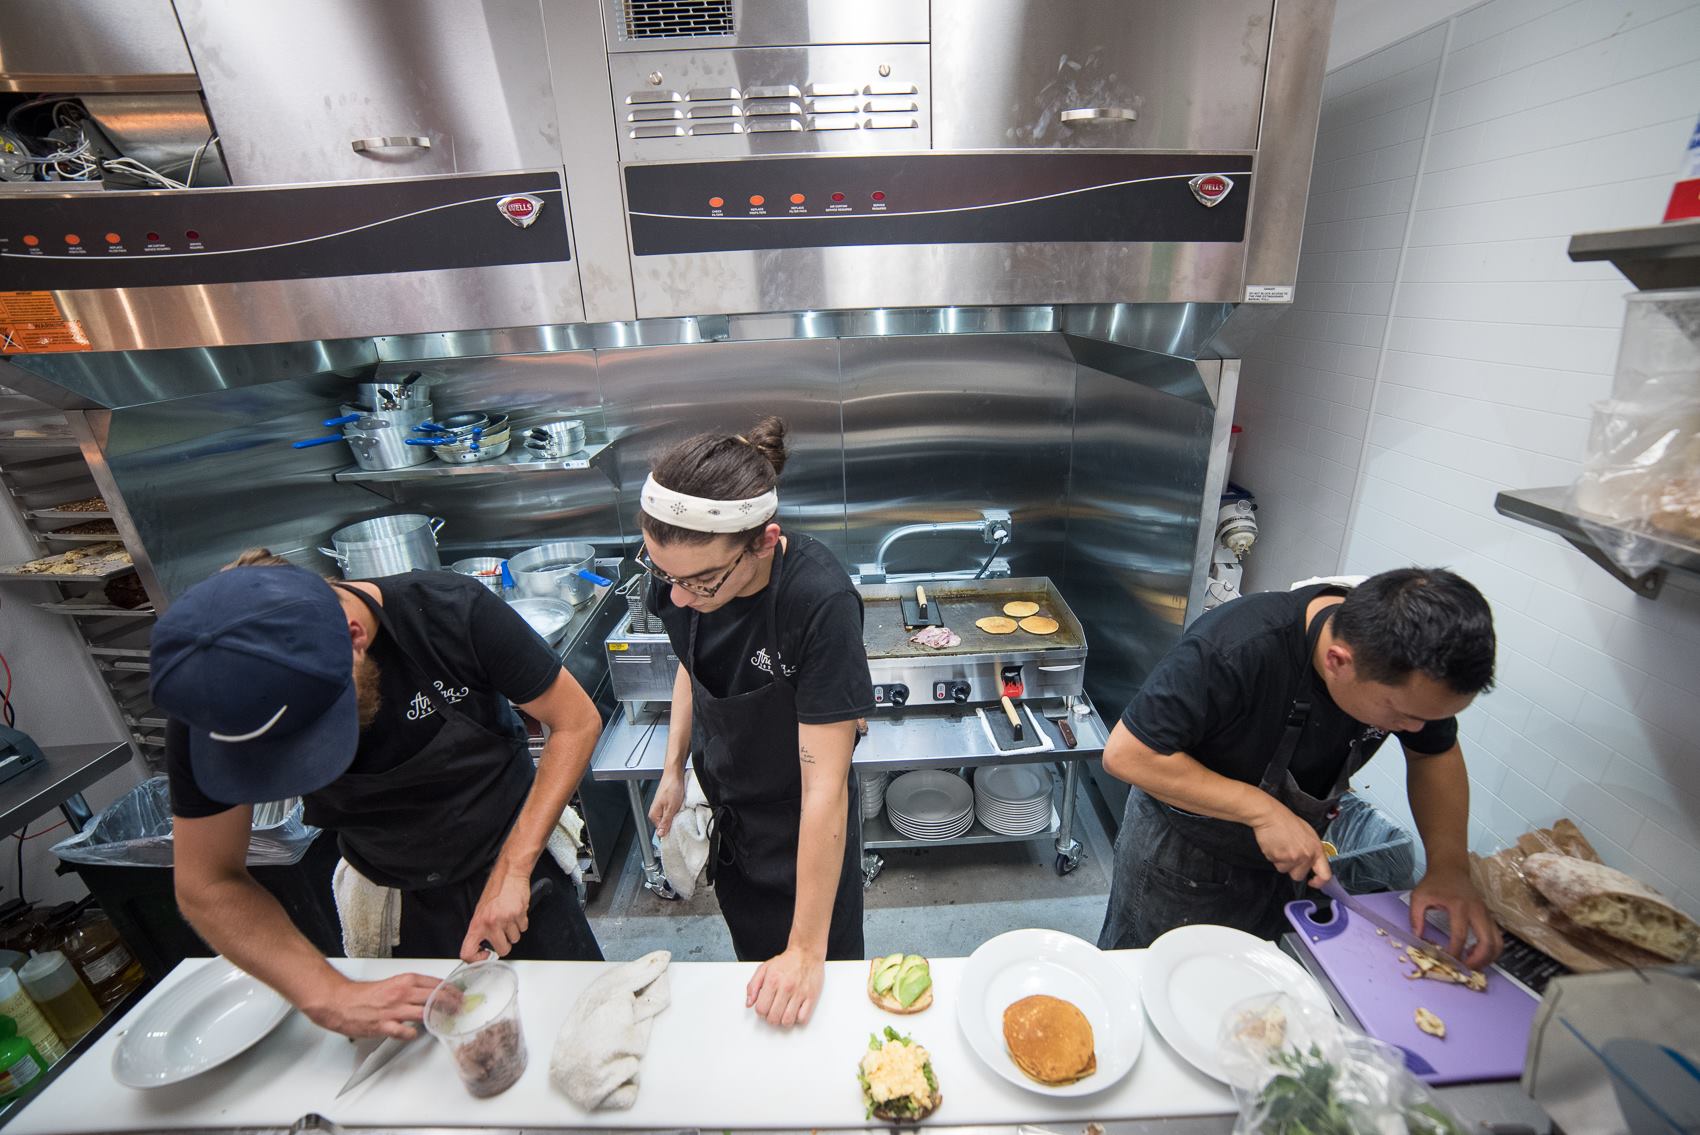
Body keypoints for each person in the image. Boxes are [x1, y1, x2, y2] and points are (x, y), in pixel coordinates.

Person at [153, 549, 604, 1040]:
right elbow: (207, 882)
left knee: (580, 1031)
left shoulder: (449, 612)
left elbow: (575, 722)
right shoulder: (216, 704)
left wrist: (514, 868)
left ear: (354, 639)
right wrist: (327, 993)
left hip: (517, 866)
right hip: (392, 902)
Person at [1097, 567, 1505, 968]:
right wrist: (1262, 811)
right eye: (1402, 715)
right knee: (1148, 976)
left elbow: (1432, 754)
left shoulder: (1412, 670)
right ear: (1337, 661)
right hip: (1181, 859)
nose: (1416, 729)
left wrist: (1449, 867)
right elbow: (1128, 754)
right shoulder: (1236, 646)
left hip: (1281, 865)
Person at [643, 417, 873, 1029]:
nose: (679, 597)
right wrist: (673, 769)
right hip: (735, 822)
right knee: (755, 972)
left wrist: (806, 951)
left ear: (764, 541)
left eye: (700, 582)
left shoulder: (816, 601)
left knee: (825, 997)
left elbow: (825, 789)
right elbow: (690, 663)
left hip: (808, 831)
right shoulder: (679, 573)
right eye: (667, 577)